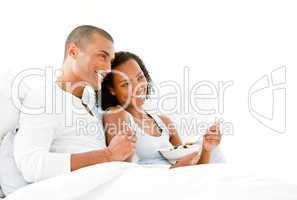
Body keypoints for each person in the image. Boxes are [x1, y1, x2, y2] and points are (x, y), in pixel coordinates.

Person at [13, 25, 137, 183]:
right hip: (80, 188)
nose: (108, 68)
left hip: (109, 180)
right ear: (73, 51)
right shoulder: (45, 98)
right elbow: (30, 165)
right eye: (102, 56)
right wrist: (108, 155)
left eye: (110, 61)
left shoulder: (88, 98)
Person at [101, 51, 221, 168]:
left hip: (180, 182)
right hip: (155, 185)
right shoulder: (116, 115)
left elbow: (190, 169)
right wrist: (175, 170)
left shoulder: (164, 122)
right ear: (111, 89)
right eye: (126, 84)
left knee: (215, 151)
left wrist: (206, 149)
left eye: (140, 78)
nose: (138, 87)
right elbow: (122, 172)